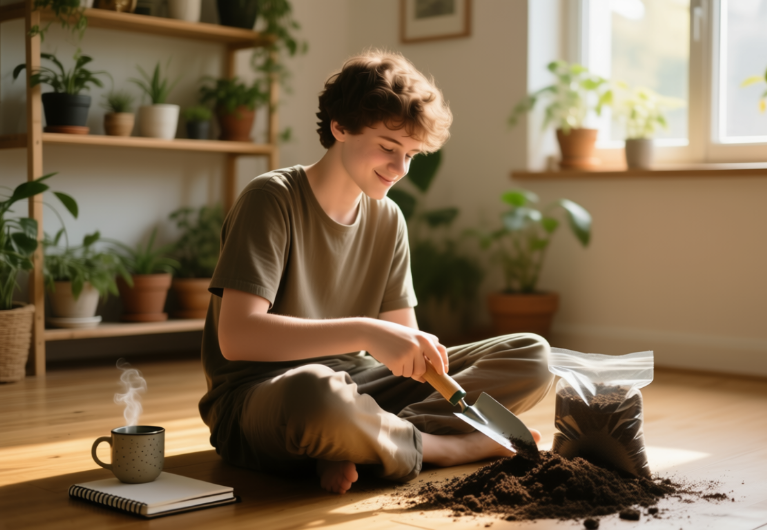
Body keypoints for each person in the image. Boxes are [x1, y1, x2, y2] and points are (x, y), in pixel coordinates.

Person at [198, 49, 553, 495]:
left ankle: (358, 443)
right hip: (263, 396)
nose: (400, 169)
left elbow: (406, 354)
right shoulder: (271, 199)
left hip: (360, 390)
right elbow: (237, 337)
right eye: (388, 148)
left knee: (533, 354)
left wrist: (417, 351)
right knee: (317, 393)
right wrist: (367, 333)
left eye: (411, 154)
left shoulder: (389, 219)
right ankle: (443, 447)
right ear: (340, 127)